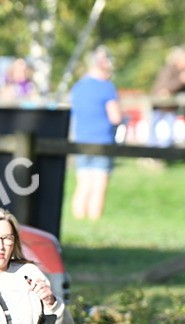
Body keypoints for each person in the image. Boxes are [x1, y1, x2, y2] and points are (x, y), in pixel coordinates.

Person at [69, 47, 122, 221]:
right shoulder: (106, 88)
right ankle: (94, 221)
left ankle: (78, 219)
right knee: (99, 183)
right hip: (102, 140)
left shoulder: (77, 87)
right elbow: (115, 117)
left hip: (81, 140)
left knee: (83, 184)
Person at [151, 47, 185, 147]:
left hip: (172, 108)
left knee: (168, 135)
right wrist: (181, 81)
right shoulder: (169, 70)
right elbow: (162, 89)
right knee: (157, 135)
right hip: (160, 107)